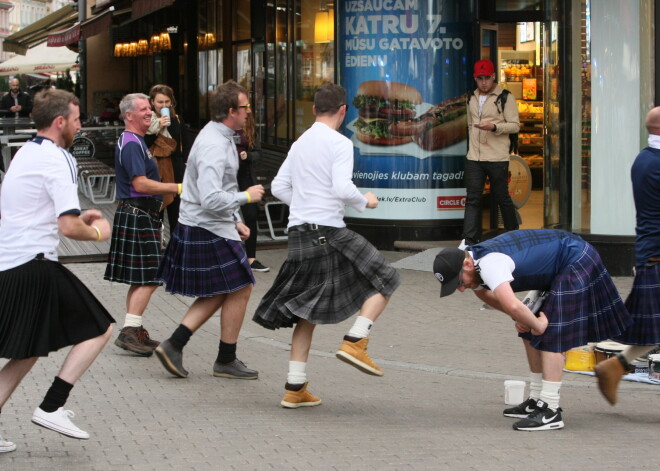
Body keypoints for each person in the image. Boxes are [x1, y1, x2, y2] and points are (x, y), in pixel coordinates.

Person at [252, 83, 401, 408]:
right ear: (343, 110)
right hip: (328, 230)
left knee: (307, 310)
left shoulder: (300, 142)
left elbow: (278, 186)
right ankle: (356, 339)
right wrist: (367, 202)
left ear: (315, 108)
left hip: (299, 233)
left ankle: (295, 387)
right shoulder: (339, 143)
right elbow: (341, 186)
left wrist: (304, 203)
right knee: (387, 277)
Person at [0, 89, 114, 449]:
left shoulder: (25, 152)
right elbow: (68, 229)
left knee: (28, 349)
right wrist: (97, 232)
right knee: (100, 328)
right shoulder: (59, 158)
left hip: (11, 262)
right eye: (78, 120)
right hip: (34, 264)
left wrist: (79, 215)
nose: (80, 127)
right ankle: (52, 406)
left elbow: (40, 210)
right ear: (60, 122)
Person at [433, 229, 631, 431]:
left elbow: (513, 305)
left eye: (458, 282)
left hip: (575, 258)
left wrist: (537, 323)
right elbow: (484, 294)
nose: (460, 289)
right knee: (527, 331)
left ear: (466, 265)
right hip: (555, 264)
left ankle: (550, 410)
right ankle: (536, 399)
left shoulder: (490, 264)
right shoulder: (469, 259)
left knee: (551, 333)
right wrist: (522, 320)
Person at [154, 81, 265, 379]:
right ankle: (214, 356)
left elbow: (221, 189)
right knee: (238, 285)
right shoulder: (216, 145)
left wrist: (235, 219)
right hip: (205, 224)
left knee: (232, 287)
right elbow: (211, 197)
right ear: (230, 111)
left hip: (211, 223)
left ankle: (185, 347)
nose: (248, 113)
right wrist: (246, 197)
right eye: (244, 108)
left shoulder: (222, 134)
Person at [104, 93, 180, 357]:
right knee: (150, 278)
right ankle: (129, 331)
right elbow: (140, 184)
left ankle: (133, 330)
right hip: (138, 213)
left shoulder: (137, 140)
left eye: (150, 108)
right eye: (144, 109)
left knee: (141, 279)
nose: (150, 112)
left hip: (140, 214)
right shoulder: (132, 143)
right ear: (129, 115)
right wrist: (178, 187)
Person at [594, 107, 660, 405]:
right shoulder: (655, 163)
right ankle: (614, 366)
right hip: (656, 254)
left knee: (653, 330)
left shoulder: (644, 159)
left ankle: (614, 366)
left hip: (651, 252)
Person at [463, 59, 520, 246]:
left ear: (494, 76)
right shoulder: (470, 97)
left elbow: (515, 126)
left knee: (501, 196)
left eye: (487, 78)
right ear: (475, 78)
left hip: (497, 156)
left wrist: (494, 126)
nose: (484, 82)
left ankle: (513, 235)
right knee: (472, 198)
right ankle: (470, 240)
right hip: (474, 157)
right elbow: (470, 125)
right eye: (480, 78)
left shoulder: (505, 97)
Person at [145, 84, 188, 238]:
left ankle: (176, 251)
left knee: (177, 214)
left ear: (172, 102)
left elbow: (185, 146)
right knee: (157, 213)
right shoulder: (147, 121)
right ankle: (156, 250)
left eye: (167, 102)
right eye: (160, 102)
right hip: (155, 170)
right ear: (152, 102)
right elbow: (144, 145)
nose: (164, 105)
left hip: (176, 170)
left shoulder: (177, 119)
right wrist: (157, 127)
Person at [236, 111, 269, 272]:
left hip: (245, 177)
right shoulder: (223, 129)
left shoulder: (250, 129)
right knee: (227, 215)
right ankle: (231, 257)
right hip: (227, 177)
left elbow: (258, 153)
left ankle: (251, 258)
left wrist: (247, 155)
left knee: (250, 215)